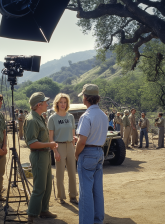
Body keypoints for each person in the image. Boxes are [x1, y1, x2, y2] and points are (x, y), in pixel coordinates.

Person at [74, 84, 108, 224]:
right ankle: (97, 220)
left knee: (85, 193)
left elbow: (82, 141)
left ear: (86, 98)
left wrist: (77, 154)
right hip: (99, 151)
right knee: (97, 190)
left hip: (87, 153)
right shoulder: (103, 115)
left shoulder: (86, 116)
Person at [24, 92, 58, 224]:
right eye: (45, 102)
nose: (47, 104)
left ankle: (44, 210)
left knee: (47, 184)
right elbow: (32, 143)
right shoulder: (32, 120)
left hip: (44, 154)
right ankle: (32, 215)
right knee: (39, 187)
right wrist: (50, 144)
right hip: (39, 155)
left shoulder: (38, 117)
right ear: (39, 105)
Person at [48, 93, 78, 205]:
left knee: (72, 173)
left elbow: (73, 132)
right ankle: (61, 196)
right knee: (60, 173)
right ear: (57, 103)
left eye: (65, 102)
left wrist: (74, 143)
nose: (63, 104)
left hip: (70, 145)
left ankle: (73, 196)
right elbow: (51, 137)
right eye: (61, 102)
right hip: (59, 146)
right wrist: (55, 151)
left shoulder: (70, 117)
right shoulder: (52, 118)